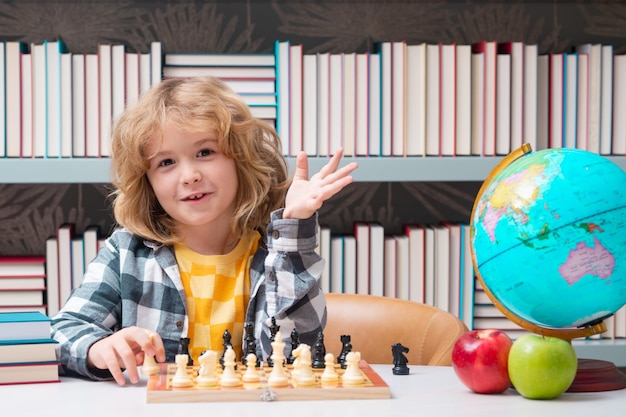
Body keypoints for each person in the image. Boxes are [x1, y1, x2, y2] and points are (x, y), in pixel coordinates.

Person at [51, 76, 358, 386]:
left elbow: (297, 355)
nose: (190, 176)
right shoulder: (125, 253)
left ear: (241, 159)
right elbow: (62, 334)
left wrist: (293, 230)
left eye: (205, 152)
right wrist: (96, 348)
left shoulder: (273, 257)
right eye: (166, 162)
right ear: (147, 183)